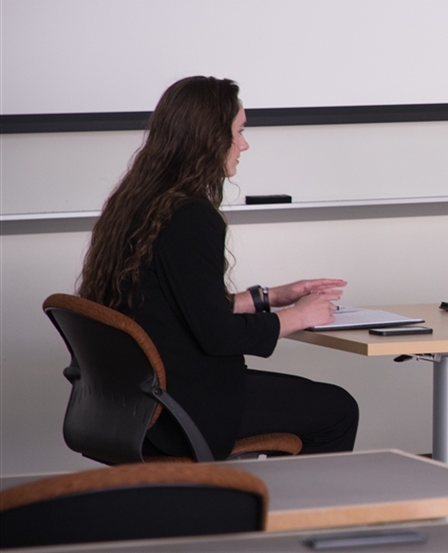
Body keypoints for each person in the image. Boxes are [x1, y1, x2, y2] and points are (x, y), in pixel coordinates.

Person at [78, 76, 359, 460]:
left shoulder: (137, 203)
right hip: (184, 409)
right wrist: (296, 316)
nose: (244, 144)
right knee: (338, 410)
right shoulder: (191, 216)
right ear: (209, 138)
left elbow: (177, 306)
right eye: (239, 132)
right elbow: (217, 335)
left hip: (136, 401)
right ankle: (280, 517)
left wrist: (268, 298)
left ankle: (259, 508)